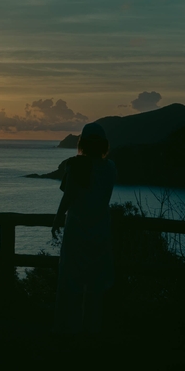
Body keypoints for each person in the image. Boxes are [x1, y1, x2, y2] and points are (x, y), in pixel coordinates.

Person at [51, 122, 117, 335]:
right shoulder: (111, 168)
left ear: (83, 144)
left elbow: (67, 195)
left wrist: (57, 219)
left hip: (77, 230)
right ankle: (92, 332)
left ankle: (68, 331)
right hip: (101, 230)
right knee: (96, 285)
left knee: (71, 282)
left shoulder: (77, 166)